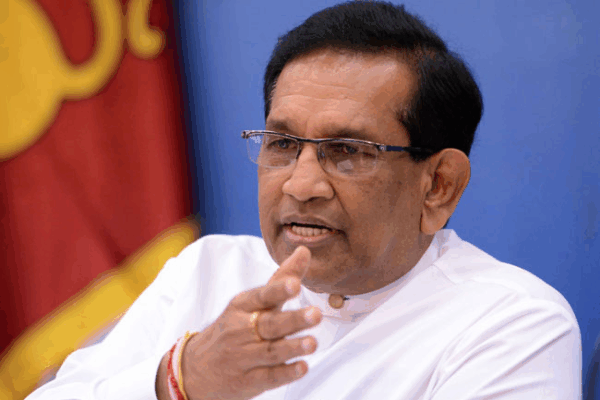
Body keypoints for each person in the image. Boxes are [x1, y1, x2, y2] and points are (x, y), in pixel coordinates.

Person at [27, 2, 581, 399]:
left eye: (348, 151)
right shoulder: (208, 270)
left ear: (438, 185)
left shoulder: (512, 323)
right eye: (283, 144)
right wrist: (184, 379)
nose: (300, 184)